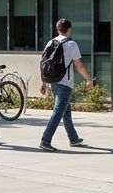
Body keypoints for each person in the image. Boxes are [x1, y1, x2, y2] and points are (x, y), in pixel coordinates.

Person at [39, 18, 93, 151]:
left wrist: (44, 83)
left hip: (53, 83)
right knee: (58, 112)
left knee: (65, 112)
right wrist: (88, 79)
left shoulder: (50, 43)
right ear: (69, 30)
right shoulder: (71, 44)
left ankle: (73, 139)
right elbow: (79, 64)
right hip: (65, 84)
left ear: (58, 29)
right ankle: (45, 140)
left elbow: (45, 65)